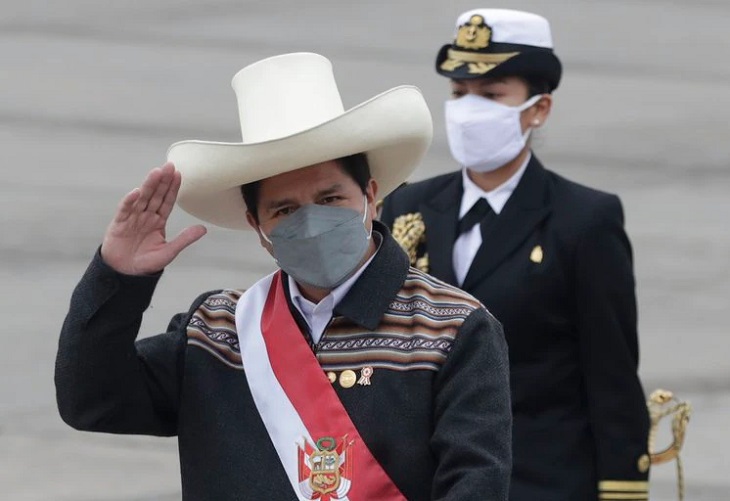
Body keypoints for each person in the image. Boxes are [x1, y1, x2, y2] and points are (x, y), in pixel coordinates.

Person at [54, 52, 512, 500]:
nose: (311, 224)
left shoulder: (450, 326)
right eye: (285, 210)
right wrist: (119, 279)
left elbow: (475, 482)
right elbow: (92, 401)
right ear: (258, 226)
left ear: (371, 195)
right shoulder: (218, 328)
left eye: (330, 199)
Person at [379, 9, 651, 501]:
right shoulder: (407, 206)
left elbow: (610, 372)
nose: (467, 108)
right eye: (459, 93)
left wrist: (622, 487)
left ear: (538, 108)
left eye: (490, 94)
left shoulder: (584, 220)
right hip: (425, 478)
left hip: (540, 479)